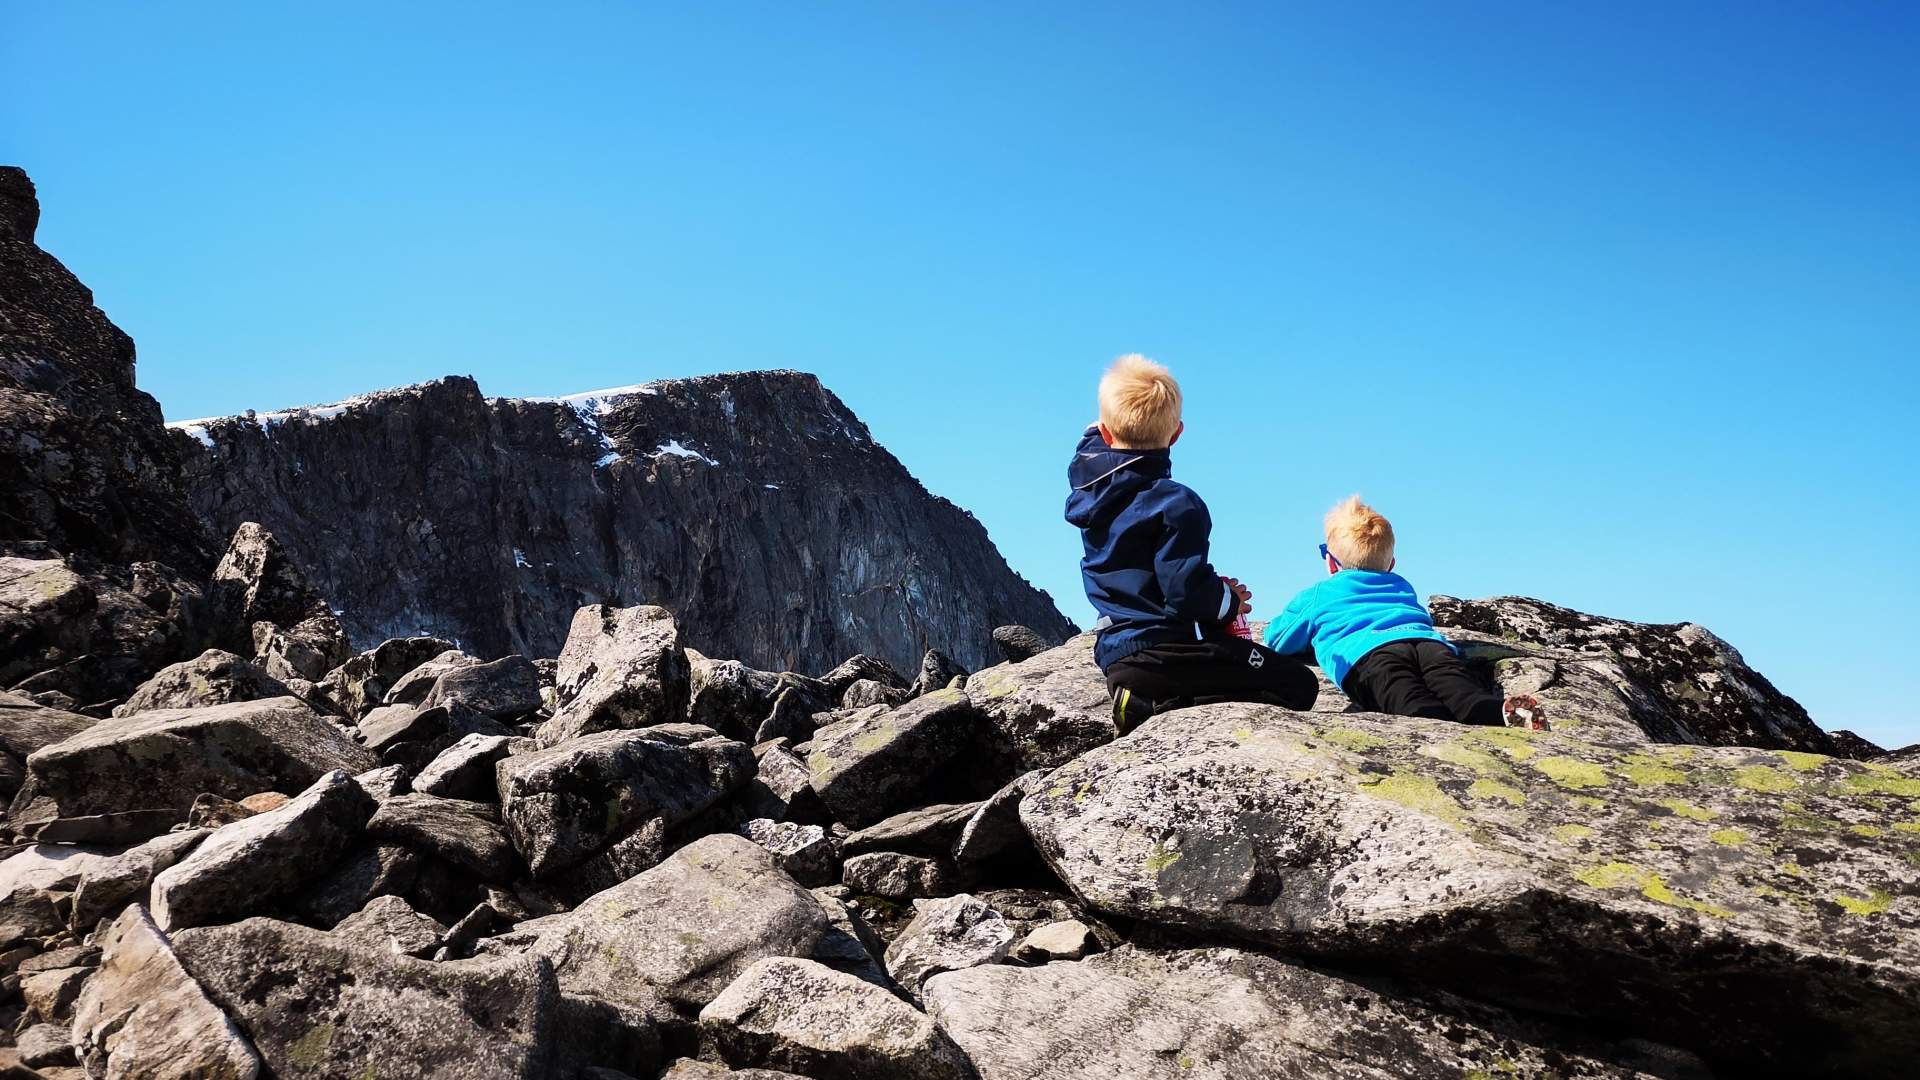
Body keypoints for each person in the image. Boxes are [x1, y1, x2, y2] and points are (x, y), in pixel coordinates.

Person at [1066, 355, 1318, 733]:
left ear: (1103, 432)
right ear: (1177, 433)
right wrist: (1228, 600)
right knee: (1299, 684)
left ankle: (1145, 696)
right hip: (1167, 654)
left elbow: (1091, 445)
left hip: (1116, 654)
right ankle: (1158, 704)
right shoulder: (1176, 503)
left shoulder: (1091, 490)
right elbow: (1185, 592)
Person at [1265, 495, 1541, 727]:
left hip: (1368, 654)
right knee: (1455, 685)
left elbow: (1278, 639)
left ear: (1332, 563)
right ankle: (1490, 709)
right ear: (1391, 563)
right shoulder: (1401, 585)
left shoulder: (1320, 594)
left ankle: (1430, 717)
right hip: (1428, 645)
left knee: (1403, 694)